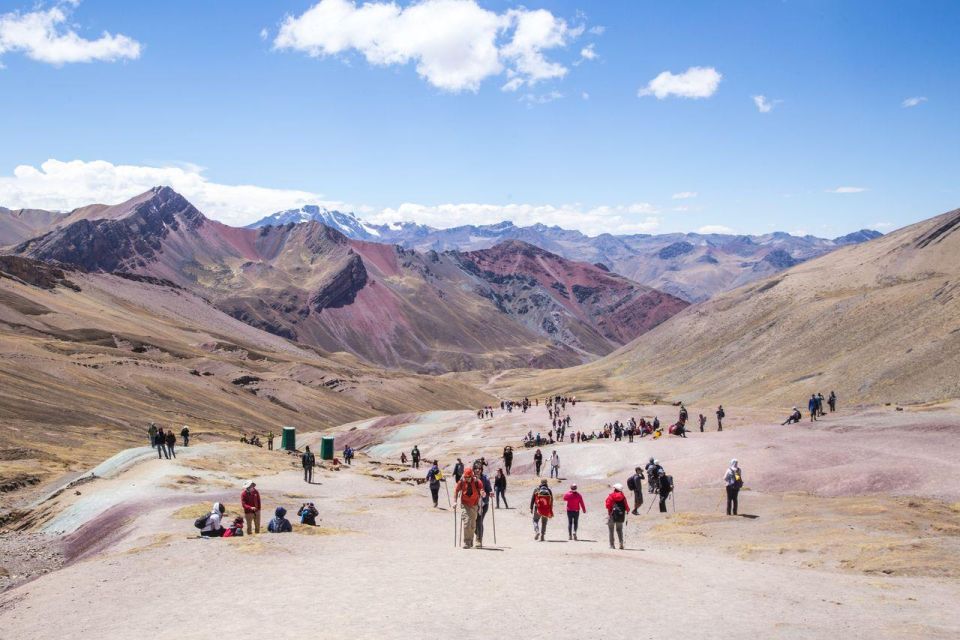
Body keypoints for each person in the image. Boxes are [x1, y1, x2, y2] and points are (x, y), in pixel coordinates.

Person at [454, 468, 485, 549]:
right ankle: (467, 542)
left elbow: (481, 490)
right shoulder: (462, 481)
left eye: (468, 477)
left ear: (471, 476)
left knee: (472, 524)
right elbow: (456, 490)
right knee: (467, 522)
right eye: (466, 477)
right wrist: (455, 501)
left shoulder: (477, 482)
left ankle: (470, 541)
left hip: (474, 504)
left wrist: (482, 493)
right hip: (465, 504)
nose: (467, 479)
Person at [605, 484, 630, 549]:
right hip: (620, 516)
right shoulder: (623, 497)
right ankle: (621, 543)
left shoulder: (611, 496)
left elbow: (607, 505)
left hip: (611, 515)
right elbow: (627, 508)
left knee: (611, 530)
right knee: (619, 530)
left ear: (615, 489)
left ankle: (612, 545)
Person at [475, 466, 493, 547]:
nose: (477, 470)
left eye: (479, 468)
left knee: (479, 521)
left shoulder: (485, 479)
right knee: (473, 522)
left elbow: (489, 489)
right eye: (476, 468)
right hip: (474, 504)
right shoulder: (471, 478)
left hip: (483, 503)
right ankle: (478, 534)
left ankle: (479, 539)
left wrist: (491, 492)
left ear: (481, 470)